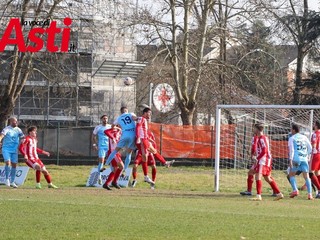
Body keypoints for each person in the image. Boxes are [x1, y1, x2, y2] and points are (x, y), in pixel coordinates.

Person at [250, 123, 283, 201]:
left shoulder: (262, 138)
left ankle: (258, 196)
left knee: (258, 176)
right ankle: (279, 194)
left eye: (254, 128)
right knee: (267, 178)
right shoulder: (262, 138)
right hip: (265, 159)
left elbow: (264, 151)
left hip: (263, 160)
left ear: (257, 129)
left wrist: (257, 158)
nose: (253, 130)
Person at [103, 107, 138, 179]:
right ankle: (125, 170)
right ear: (126, 110)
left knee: (115, 151)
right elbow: (135, 118)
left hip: (124, 134)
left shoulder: (118, 118)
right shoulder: (130, 114)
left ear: (121, 112)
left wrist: (116, 127)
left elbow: (112, 125)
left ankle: (105, 164)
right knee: (129, 153)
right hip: (132, 134)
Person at [288, 124, 313, 200]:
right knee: (307, 176)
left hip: (296, 159)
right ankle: (310, 194)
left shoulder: (292, 138)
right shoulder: (304, 137)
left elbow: (292, 150)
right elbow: (310, 148)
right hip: (304, 159)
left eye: (291, 129)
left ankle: (295, 190)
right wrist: (307, 155)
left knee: (291, 175)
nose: (290, 131)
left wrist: (290, 160)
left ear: (294, 130)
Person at [0, 117, 24, 188]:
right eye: (15, 122)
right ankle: (7, 179)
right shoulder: (6, 129)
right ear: (11, 122)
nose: (16, 123)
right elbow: (1, 136)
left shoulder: (18, 129)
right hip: (6, 149)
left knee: (14, 165)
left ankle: (12, 181)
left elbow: (23, 137)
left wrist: (24, 141)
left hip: (14, 150)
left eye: (16, 122)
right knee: (8, 162)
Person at [135, 107, 156, 185]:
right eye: (149, 113)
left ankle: (146, 176)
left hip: (145, 139)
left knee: (151, 153)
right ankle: (146, 176)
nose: (150, 115)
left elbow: (143, 130)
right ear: (145, 113)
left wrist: (148, 139)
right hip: (142, 140)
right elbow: (138, 127)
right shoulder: (142, 119)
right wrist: (138, 137)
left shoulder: (144, 120)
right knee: (145, 156)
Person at [92, 115, 111, 185]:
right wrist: (94, 144)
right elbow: (93, 136)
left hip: (109, 147)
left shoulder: (110, 126)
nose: (105, 120)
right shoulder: (98, 127)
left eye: (106, 118)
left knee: (112, 161)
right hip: (102, 146)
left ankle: (113, 179)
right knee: (101, 160)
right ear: (101, 119)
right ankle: (99, 177)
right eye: (104, 119)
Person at [310, 120, 320, 198]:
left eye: (314, 124)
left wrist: (311, 154)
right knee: (317, 173)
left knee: (310, 172)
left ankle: (319, 190)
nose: (313, 125)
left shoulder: (315, 134)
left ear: (316, 125)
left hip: (316, 154)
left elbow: (314, 144)